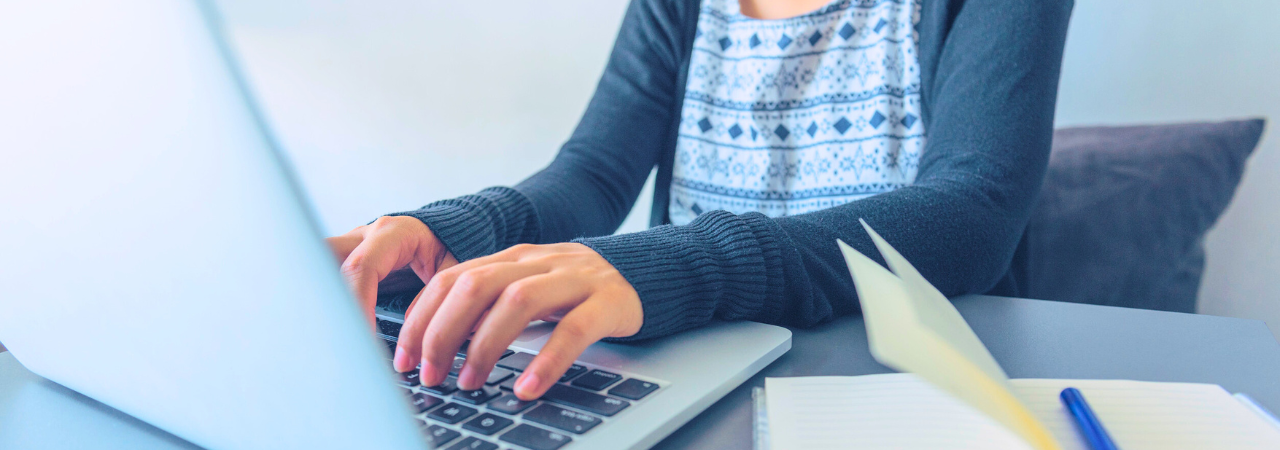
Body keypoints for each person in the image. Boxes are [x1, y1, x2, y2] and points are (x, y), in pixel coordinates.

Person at [325, 0, 1072, 401]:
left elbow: (974, 211)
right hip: (698, 368)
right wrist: (457, 231)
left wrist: (672, 264)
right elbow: (592, 173)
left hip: (900, 389)